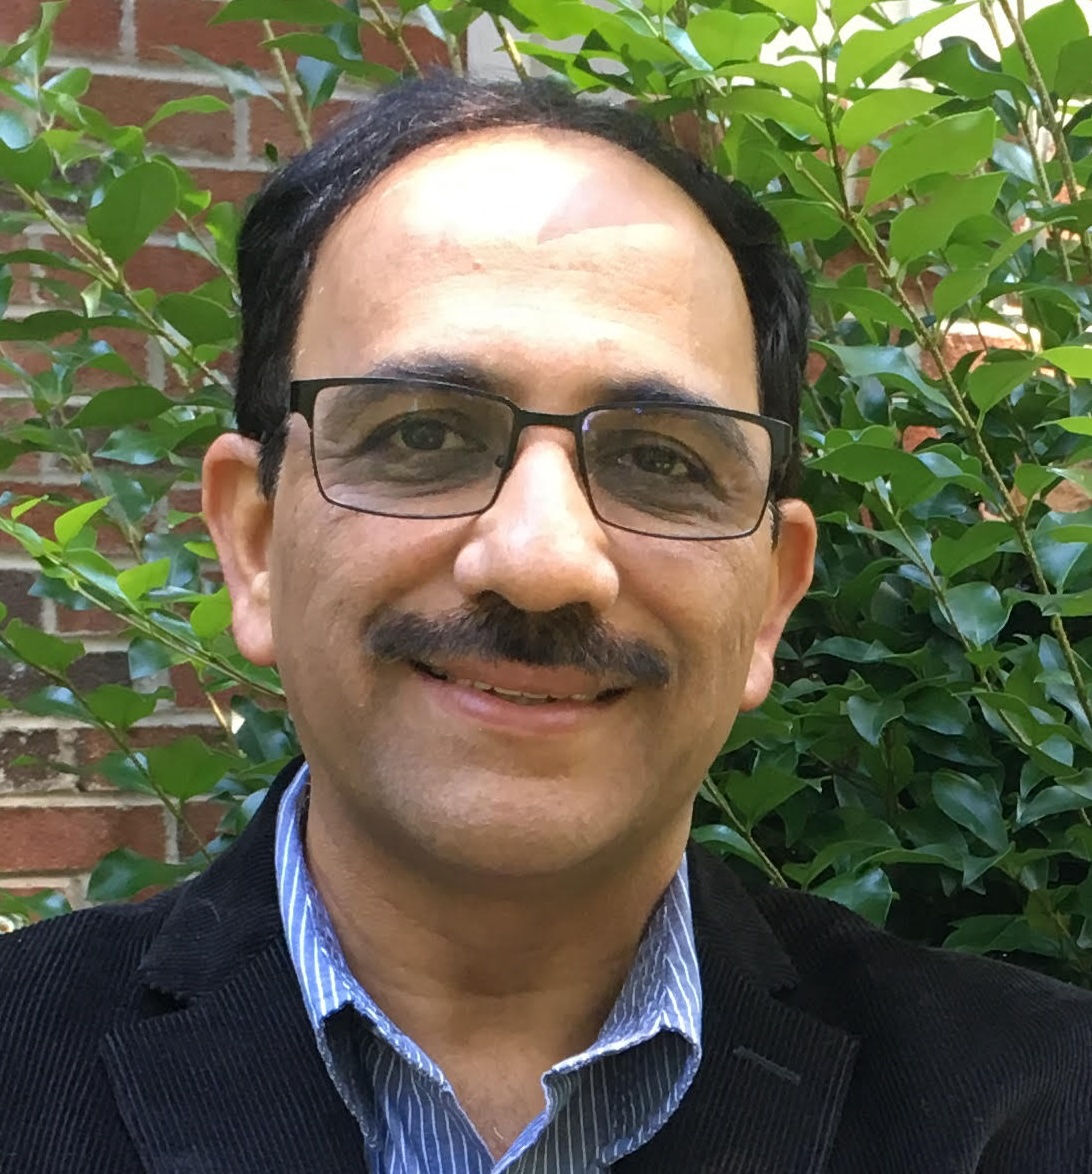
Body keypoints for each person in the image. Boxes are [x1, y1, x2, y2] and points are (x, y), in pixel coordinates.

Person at [2, 73, 1091, 1174]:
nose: (541, 560)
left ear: (771, 596)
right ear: (252, 544)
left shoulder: (1043, 1110)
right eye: (422, 437)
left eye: (660, 461)